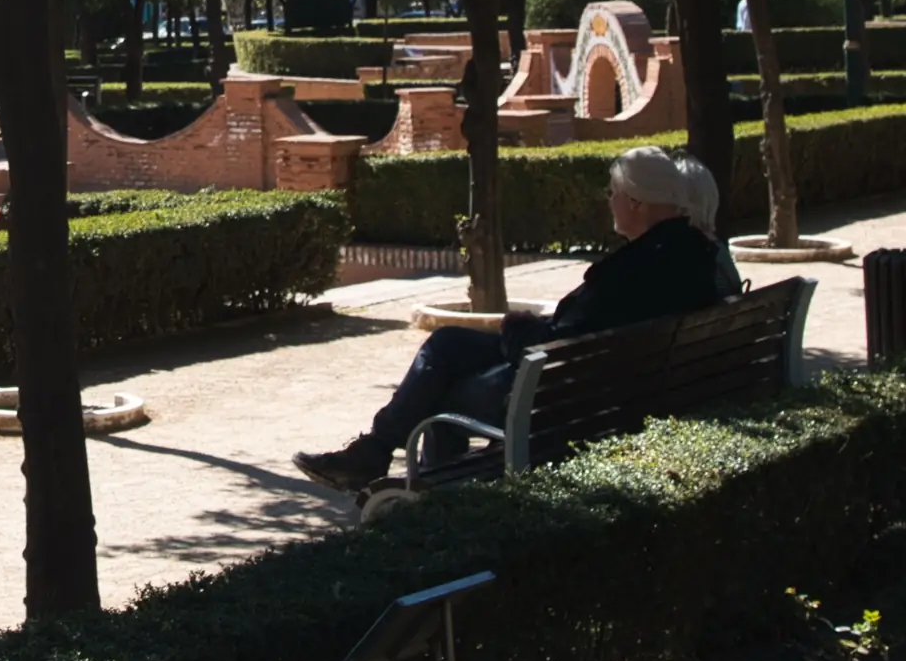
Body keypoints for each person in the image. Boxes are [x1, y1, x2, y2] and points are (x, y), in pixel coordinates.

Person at [296, 146, 742, 502]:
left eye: (613, 192)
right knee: (447, 342)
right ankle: (378, 456)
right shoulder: (693, 255)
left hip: (557, 393)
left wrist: (516, 329)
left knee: (437, 393)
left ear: (636, 202)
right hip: (608, 381)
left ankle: (411, 486)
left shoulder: (636, 268)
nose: (609, 200)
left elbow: (551, 346)